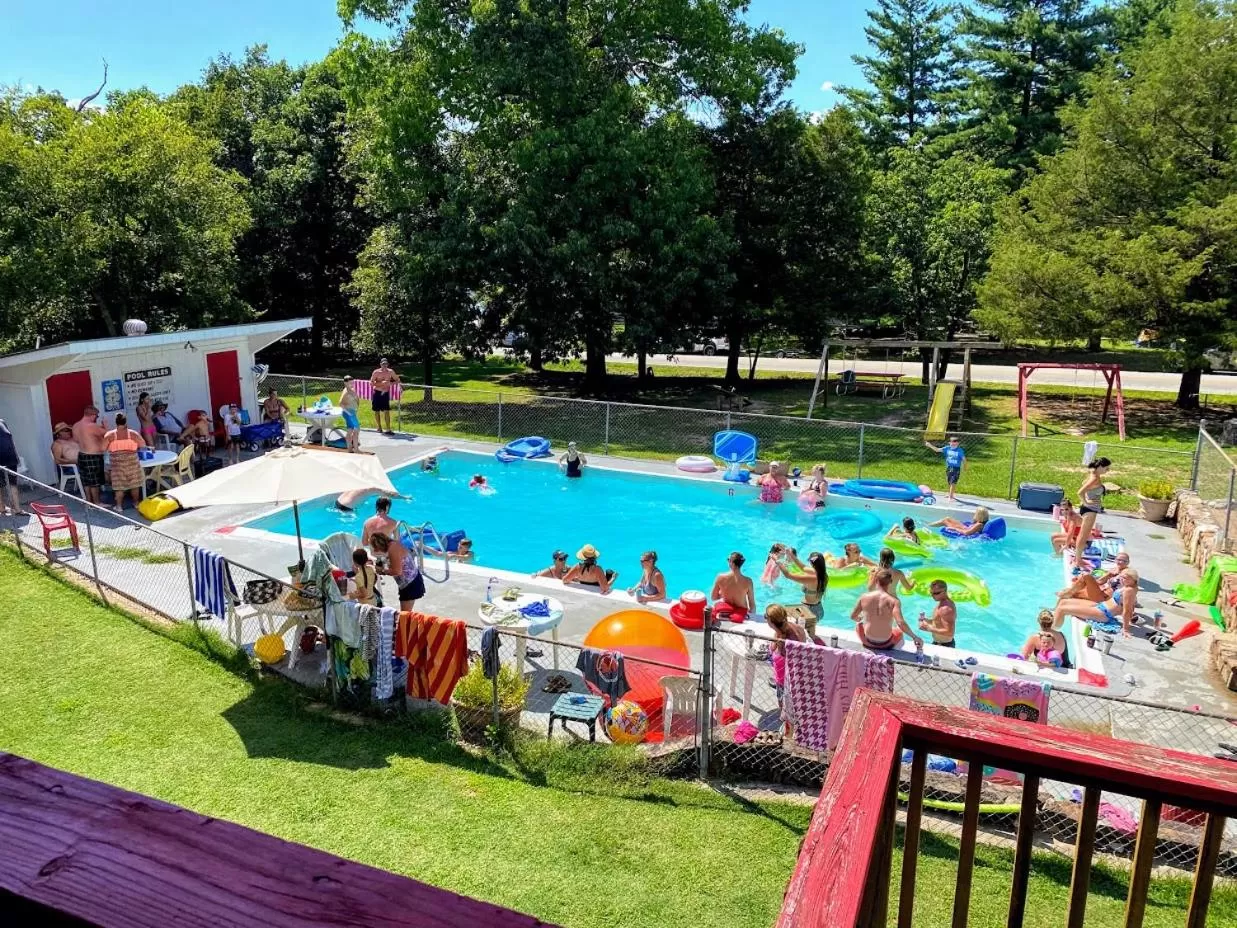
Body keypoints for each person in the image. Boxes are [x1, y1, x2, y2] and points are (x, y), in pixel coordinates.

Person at [852, 570, 924, 651]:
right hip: (886, 643)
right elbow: (900, 623)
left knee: (859, 625)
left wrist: (861, 619)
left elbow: (853, 616)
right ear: (890, 582)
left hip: (867, 641)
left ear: (876, 580)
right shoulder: (894, 601)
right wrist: (915, 637)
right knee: (899, 630)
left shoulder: (864, 597)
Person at [1055, 569, 1139, 637]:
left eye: (1125, 578)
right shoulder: (1130, 587)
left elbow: (1127, 610)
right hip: (1100, 606)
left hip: (1103, 614)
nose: (1122, 580)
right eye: (1121, 577)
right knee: (1063, 601)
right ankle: (1053, 621)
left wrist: (1125, 629)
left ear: (1134, 579)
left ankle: (1052, 632)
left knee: (1062, 609)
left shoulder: (1129, 590)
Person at [772, 546, 827, 638]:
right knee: (810, 634)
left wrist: (777, 561)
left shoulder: (812, 578)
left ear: (811, 562)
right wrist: (792, 556)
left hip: (808, 611)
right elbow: (803, 567)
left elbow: (788, 575)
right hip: (818, 609)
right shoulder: (823, 575)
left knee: (801, 635)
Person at [103, 412, 146, 513]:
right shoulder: (133, 434)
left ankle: (119, 506)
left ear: (116, 422)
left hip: (117, 464)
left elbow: (102, 448)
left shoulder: (110, 435)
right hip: (132, 462)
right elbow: (142, 445)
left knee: (119, 486)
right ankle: (136, 503)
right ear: (126, 421)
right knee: (134, 484)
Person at [370, 530, 423, 610]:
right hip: (411, 581)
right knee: (406, 614)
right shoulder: (393, 544)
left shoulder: (392, 549)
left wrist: (382, 570)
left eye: (375, 547)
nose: (375, 550)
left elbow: (397, 571)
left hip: (410, 584)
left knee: (405, 615)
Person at [1074, 457, 1112, 566]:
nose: (1108, 471)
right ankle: (1078, 560)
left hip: (1090, 509)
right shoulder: (1094, 478)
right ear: (1100, 466)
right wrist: (1086, 502)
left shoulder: (1093, 473)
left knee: (1084, 534)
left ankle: (1078, 558)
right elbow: (1080, 492)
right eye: (1107, 468)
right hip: (1090, 510)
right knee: (1083, 535)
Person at [766, 604, 809, 700]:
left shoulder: (782, 641)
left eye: (766, 617)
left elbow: (774, 653)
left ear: (771, 622)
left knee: (783, 707)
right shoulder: (798, 628)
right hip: (799, 677)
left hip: (784, 680)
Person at [1058, 551, 1132, 603]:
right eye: (1119, 560)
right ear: (1115, 560)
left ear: (1128, 562)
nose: (1121, 562)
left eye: (1124, 561)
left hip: (1104, 598)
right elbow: (1100, 582)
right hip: (1100, 592)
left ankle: (1068, 593)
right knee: (1073, 591)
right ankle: (1058, 606)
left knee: (1086, 576)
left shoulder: (1126, 573)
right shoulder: (1114, 569)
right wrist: (1108, 575)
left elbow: (1132, 587)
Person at [72, 405, 109, 506]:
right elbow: (107, 435)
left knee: (86, 480)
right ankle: (97, 503)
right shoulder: (91, 426)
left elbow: (76, 440)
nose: (96, 419)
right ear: (92, 415)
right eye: (97, 416)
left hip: (82, 454)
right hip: (93, 456)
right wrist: (105, 425)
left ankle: (89, 501)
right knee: (94, 482)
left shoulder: (76, 425)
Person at [711, 551, 755, 621]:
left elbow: (713, 597)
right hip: (741, 613)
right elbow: (752, 605)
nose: (728, 561)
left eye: (728, 560)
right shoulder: (748, 581)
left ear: (731, 562)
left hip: (725, 612)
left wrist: (722, 594)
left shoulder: (720, 577)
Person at [924, 435, 966, 503]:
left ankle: (951, 496)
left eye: (955, 442)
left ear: (958, 443)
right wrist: (929, 445)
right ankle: (949, 493)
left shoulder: (960, 450)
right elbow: (937, 450)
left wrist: (965, 466)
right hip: (949, 468)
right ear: (949, 443)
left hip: (956, 468)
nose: (953, 443)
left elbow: (964, 459)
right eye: (952, 442)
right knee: (949, 481)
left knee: (953, 482)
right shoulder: (947, 448)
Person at [917, 579, 958, 648]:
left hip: (945, 646)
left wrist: (928, 628)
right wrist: (927, 620)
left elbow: (950, 632)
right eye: (931, 593)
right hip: (938, 643)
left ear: (945, 591)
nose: (933, 596)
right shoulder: (941, 603)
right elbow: (939, 622)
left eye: (936, 593)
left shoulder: (946, 608)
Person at [370, 358, 399, 435]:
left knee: (386, 411)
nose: (384, 365)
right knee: (376, 410)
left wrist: (390, 383)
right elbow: (371, 383)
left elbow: (397, 380)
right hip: (377, 392)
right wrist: (382, 383)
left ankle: (388, 429)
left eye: (386, 364)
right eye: (383, 364)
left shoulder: (390, 372)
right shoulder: (376, 372)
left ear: (387, 364)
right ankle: (379, 428)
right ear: (380, 364)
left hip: (385, 393)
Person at [0, 417, 23, 516]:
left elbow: (10, 439)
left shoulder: (2, 421)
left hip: (9, 456)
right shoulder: (2, 422)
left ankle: (15, 509)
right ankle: (3, 508)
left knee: (12, 483)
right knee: (7, 484)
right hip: (9, 456)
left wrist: (16, 456)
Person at [340, 376, 361, 453]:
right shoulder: (346, 392)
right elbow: (340, 404)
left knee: (350, 430)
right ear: (345, 383)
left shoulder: (351, 390)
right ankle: (356, 449)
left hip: (351, 412)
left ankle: (350, 449)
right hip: (349, 413)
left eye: (353, 382)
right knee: (357, 429)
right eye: (350, 383)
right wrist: (350, 413)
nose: (352, 384)